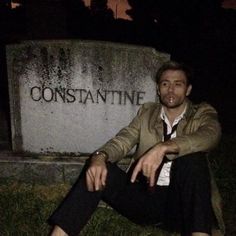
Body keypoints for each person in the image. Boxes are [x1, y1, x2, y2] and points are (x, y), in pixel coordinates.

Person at [48, 61, 225, 236]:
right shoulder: (147, 113)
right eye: (165, 84)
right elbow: (123, 141)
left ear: (188, 89)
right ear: (158, 89)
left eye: (178, 84)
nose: (170, 90)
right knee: (98, 168)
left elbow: (211, 134)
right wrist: (100, 156)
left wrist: (165, 147)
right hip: (144, 198)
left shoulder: (201, 112)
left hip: (182, 206)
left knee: (193, 160)